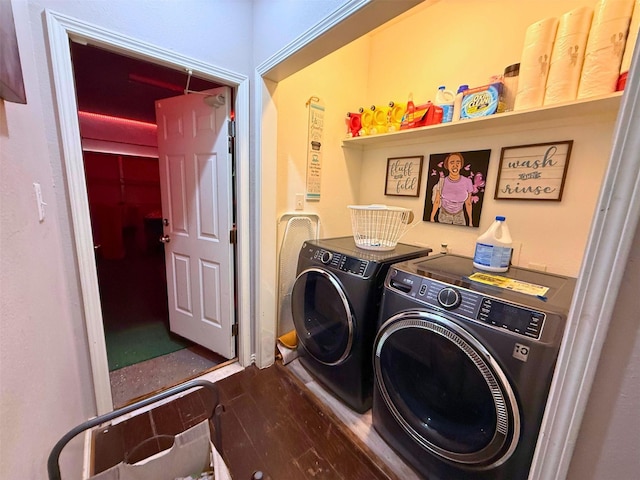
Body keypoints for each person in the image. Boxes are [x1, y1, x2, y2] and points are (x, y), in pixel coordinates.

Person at [430, 152, 474, 226]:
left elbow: (468, 203)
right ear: (447, 165)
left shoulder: (467, 181)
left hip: (459, 215)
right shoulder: (442, 181)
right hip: (444, 215)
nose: (455, 165)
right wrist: (432, 218)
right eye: (452, 162)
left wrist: (470, 221)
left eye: (458, 162)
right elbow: (437, 201)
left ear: (461, 165)